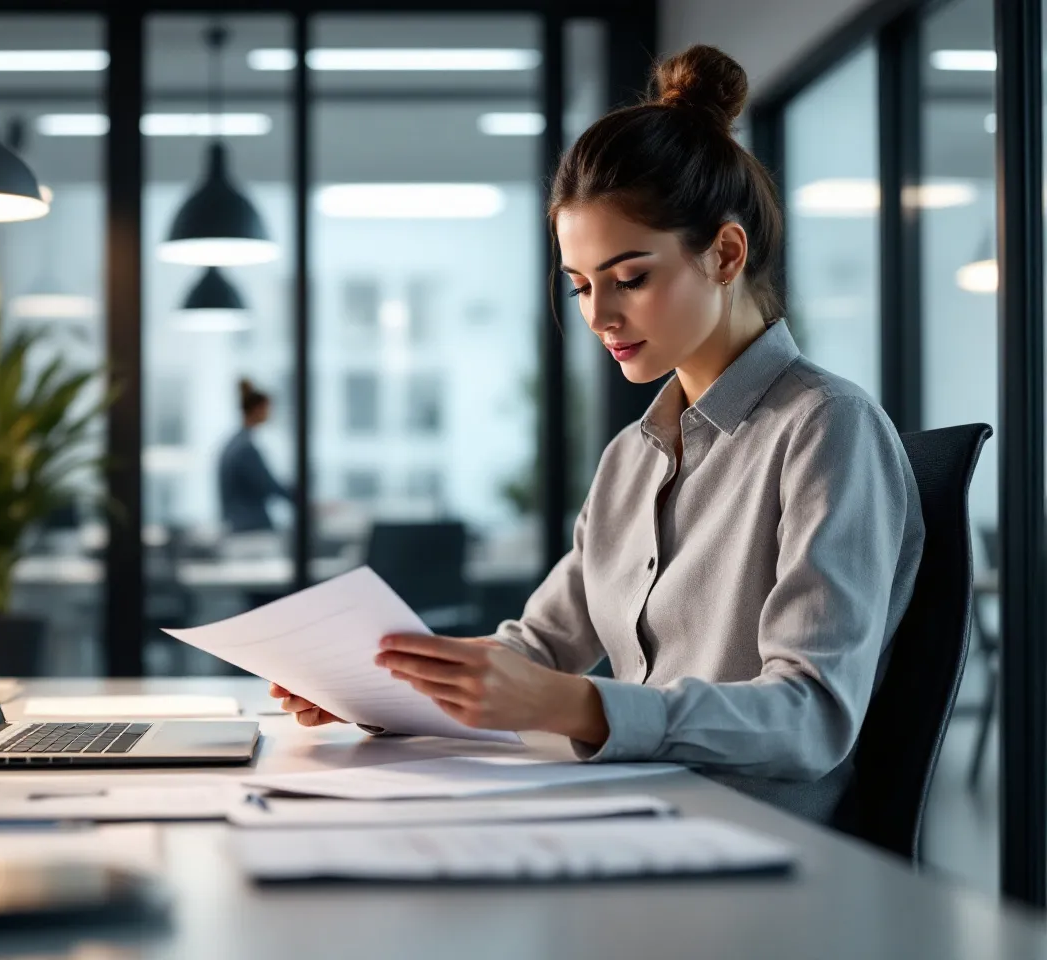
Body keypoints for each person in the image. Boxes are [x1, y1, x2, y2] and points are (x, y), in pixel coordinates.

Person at [270, 44, 925, 825]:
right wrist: (382, 686)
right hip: (627, 811)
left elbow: (811, 717)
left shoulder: (826, 429)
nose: (599, 316)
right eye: (581, 286)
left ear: (725, 253)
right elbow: (538, 648)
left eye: (631, 278)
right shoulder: (632, 458)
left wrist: (578, 705)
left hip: (746, 841)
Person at [218, 379, 292, 534]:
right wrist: (304, 500)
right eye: (267, 408)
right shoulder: (245, 449)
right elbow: (269, 485)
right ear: (257, 409)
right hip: (251, 529)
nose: (270, 413)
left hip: (239, 525)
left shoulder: (234, 444)